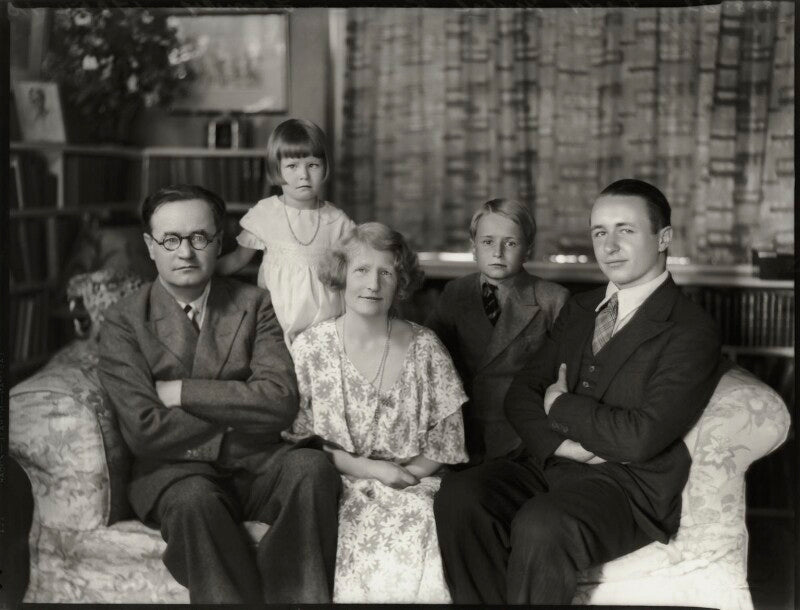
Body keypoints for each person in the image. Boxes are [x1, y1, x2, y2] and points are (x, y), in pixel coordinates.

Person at [434, 179, 724, 604]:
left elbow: (640, 437)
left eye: (625, 230)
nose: (609, 245)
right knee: (461, 496)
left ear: (663, 238)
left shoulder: (690, 328)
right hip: (551, 463)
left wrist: (561, 404)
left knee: (542, 524)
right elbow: (522, 393)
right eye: (599, 232)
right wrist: (559, 445)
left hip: (628, 487)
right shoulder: (582, 307)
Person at [97, 184, 341, 604]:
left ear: (219, 241)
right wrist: (235, 415)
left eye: (199, 237)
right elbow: (144, 429)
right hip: (176, 474)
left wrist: (182, 391)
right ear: (150, 246)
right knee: (195, 500)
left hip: (258, 465)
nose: (185, 252)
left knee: (311, 467)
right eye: (170, 240)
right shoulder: (124, 320)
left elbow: (279, 401)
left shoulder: (254, 303)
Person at [284, 222, 469, 603]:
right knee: (351, 521)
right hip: (335, 484)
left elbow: (446, 441)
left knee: (418, 519)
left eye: (386, 273)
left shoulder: (426, 347)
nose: (373, 284)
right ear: (341, 275)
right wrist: (371, 470)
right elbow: (301, 442)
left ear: (401, 283)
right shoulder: (310, 349)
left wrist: (404, 478)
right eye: (362, 270)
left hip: (414, 482)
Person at [426, 198, 569, 464]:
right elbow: (429, 358)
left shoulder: (553, 299)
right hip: (465, 434)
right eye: (488, 242)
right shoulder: (455, 293)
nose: (498, 253)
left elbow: (566, 374)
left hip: (525, 439)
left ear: (527, 249)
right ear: (473, 248)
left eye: (510, 243)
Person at [216, 118, 355, 346]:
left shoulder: (337, 220)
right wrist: (202, 274)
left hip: (326, 327)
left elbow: (357, 267)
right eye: (292, 166)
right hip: (276, 324)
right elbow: (237, 260)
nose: (304, 175)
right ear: (276, 169)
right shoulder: (266, 213)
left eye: (313, 165)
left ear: (325, 167)